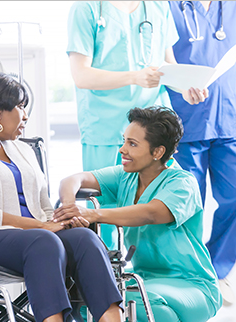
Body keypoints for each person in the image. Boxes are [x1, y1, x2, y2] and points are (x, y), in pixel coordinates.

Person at [0, 72, 166, 322]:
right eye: (20, 107)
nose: (26, 115)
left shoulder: (20, 149)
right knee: (44, 242)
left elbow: (42, 204)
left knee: (83, 239)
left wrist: (62, 221)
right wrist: (40, 226)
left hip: (35, 235)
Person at [54, 106, 222, 322]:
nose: (122, 149)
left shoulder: (182, 183)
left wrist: (93, 214)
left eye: (132, 144)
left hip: (192, 284)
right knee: (84, 303)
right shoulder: (126, 176)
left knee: (138, 302)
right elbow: (72, 180)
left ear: (157, 152)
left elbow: (152, 213)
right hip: (143, 278)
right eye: (124, 141)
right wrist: (70, 207)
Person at [66, 1, 207, 250]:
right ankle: (108, 282)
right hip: (106, 129)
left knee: (160, 207)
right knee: (105, 218)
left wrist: (186, 86)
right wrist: (134, 76)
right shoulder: (87, 8)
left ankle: (154, 275)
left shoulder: (157, 6)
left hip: (154, 129)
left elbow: (167, 64)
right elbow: (81, 75)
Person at [166, 0, 236, 305]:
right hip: (186, 122)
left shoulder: (234, 6)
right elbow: (162, 63)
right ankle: (192, 275)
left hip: (230, 119)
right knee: (190, 206)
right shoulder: (168, 7)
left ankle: (218, 271)